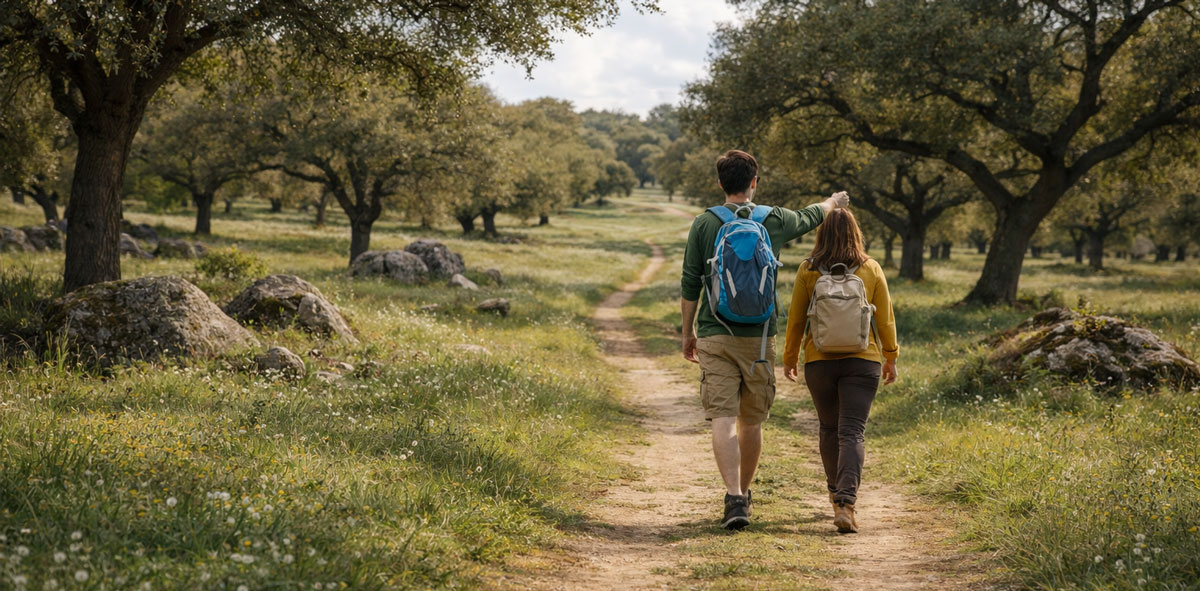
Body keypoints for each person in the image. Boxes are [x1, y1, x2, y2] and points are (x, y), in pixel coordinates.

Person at [680, 149, 849, 530]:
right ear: (754, 182)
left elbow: (691, 282)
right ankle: (745, 493)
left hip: (715, 333)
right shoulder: (772, 219)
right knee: (751, 420)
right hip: (759, 338)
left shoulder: (704, 224)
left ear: (721, 183)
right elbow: (812, 215)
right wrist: (834, 201)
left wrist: (688, 332)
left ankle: (734, 497)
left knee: (723, 418)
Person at [782, 208, 898, 534]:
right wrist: (891, 356)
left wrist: (790, 357)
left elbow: (796, 319)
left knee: (829, 429)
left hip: (819, 361)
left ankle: (835, 496)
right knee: (852, 432)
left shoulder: (808, 269)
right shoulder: (870, 268)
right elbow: (885, 319)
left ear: (821, 233)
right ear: (856, 232)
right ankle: (847, 502)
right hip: (864, 359)